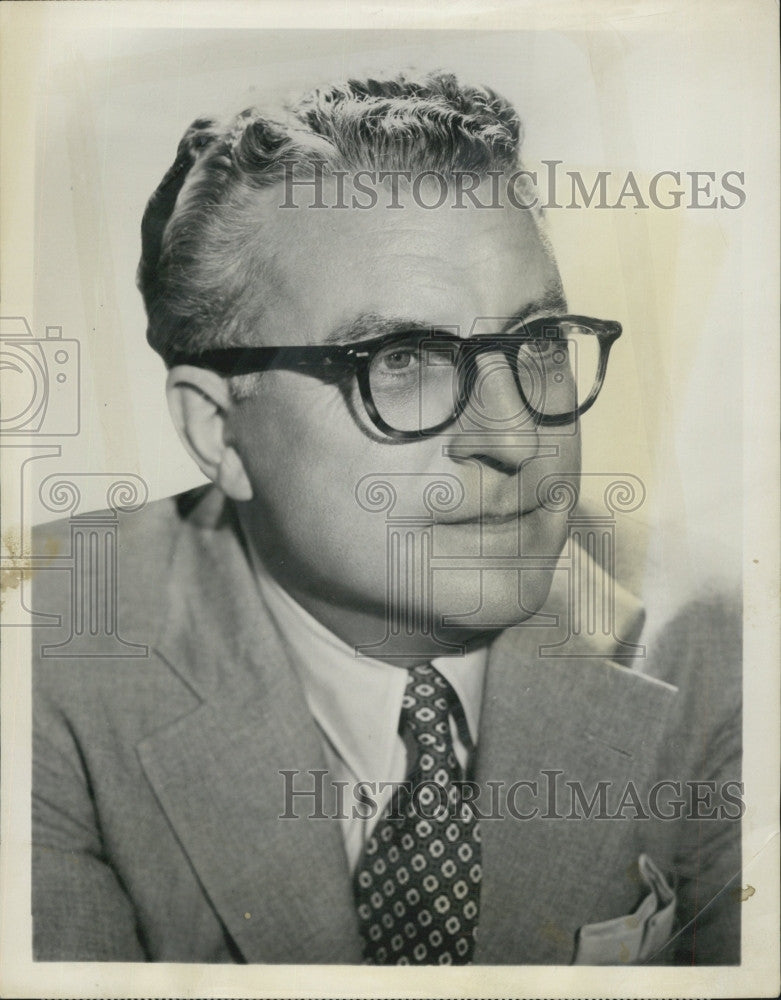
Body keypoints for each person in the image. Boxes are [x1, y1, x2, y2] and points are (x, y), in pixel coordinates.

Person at [32, 71, 741, 965]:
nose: (515, 439)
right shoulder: (45, 652)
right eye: (403, 361)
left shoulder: (713, 638)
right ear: (216, 430)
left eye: (537, 345)